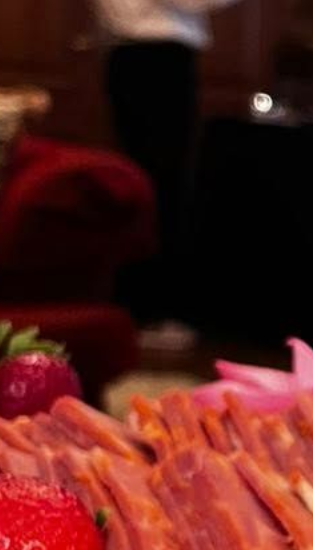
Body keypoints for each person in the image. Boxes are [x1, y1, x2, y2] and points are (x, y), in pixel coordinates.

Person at [92, 0, 238, 330]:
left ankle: (137, 303)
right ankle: (153, 310)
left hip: (132, 56)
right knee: (162, 186)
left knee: (147, 182)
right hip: (157, 59)